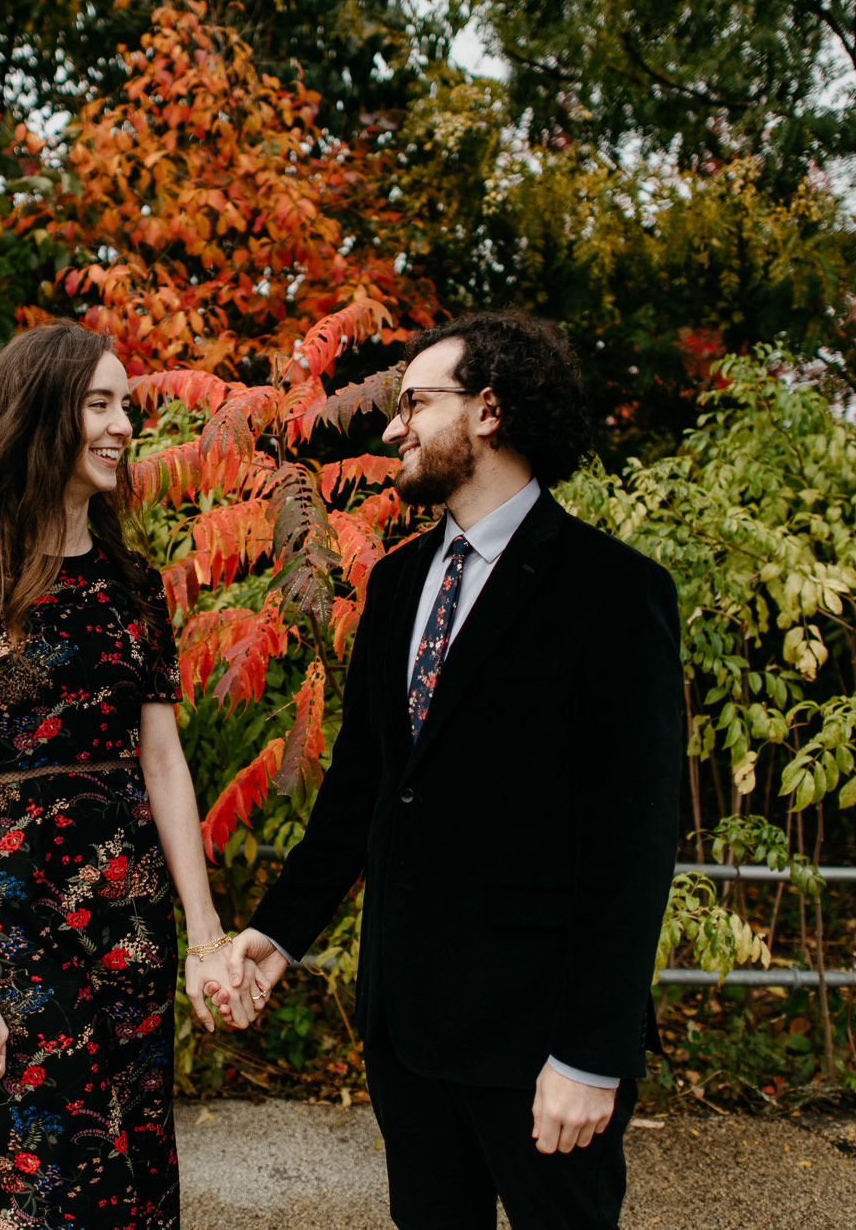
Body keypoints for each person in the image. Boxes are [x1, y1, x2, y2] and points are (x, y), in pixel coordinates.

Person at [225, 312, 683, 1230]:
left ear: (489, 410)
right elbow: (362, 789)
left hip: (540, 1034)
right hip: (407, 1027)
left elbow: (634, 841)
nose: (392, 428)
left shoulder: (613, 590)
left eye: (414, 404)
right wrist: (276, 935)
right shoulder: (394, 585)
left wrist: (592, 1053)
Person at [0, 320, 249, 1230]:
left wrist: (207, 938)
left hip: (132, 923)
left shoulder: (133, 582)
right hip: (18, 924)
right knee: (46, 1184)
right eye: (100, 403)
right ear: (39, 413)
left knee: (137, 1170)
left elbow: (164, 764)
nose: (124, 424)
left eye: (125, 404)